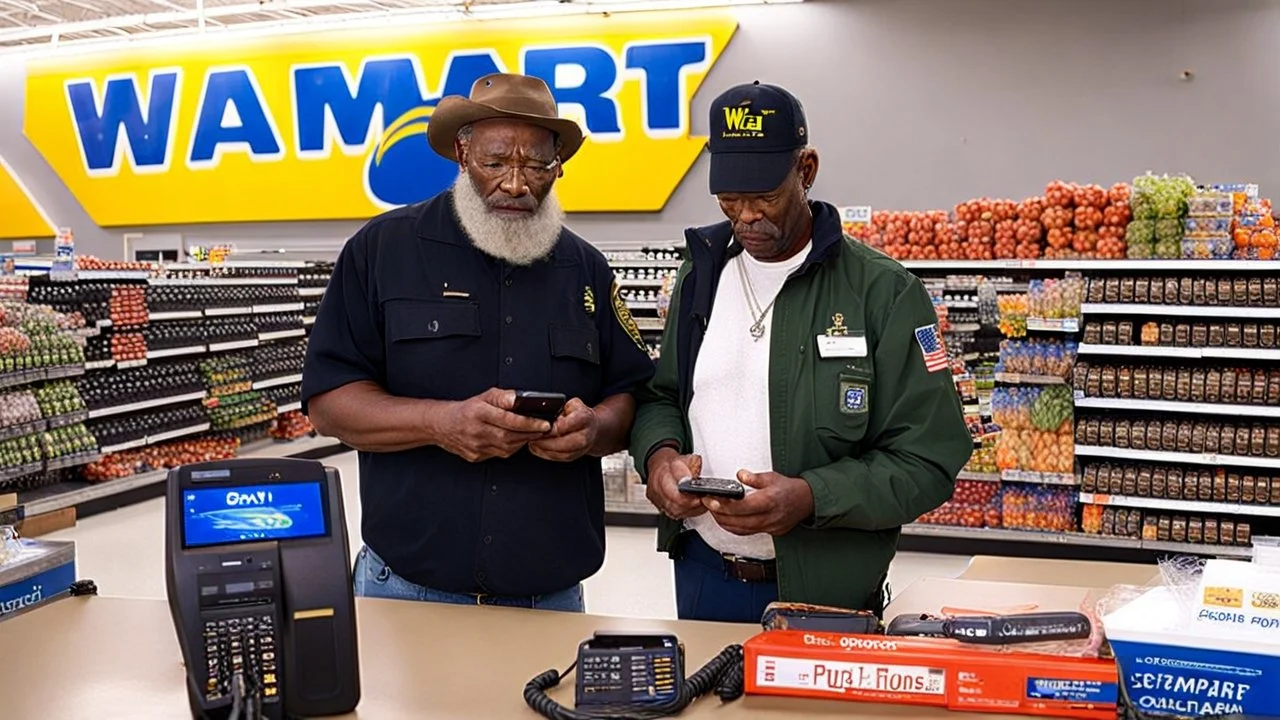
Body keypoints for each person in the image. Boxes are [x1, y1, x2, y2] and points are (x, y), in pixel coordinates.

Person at [302, 73, 656, 613]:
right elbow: (329, 404)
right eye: (495, 162)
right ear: (462, 154)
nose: (516, 183)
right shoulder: (382, 251)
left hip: (549, 597)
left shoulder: (586, 268)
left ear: (558, 165)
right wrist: (438, 424)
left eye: (536, 164)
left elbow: (630, 395)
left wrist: (595, 430)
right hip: (403, 592)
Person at [629, 81, 972, 623]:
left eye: (764, 196)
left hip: (823, 589)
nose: (745, 217)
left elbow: (929, 460)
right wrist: (660, 457)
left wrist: (812, 496)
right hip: (701, 574)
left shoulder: (883, 293)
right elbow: (661, 395)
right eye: (730, 199)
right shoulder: (700, 275)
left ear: (806, 170)